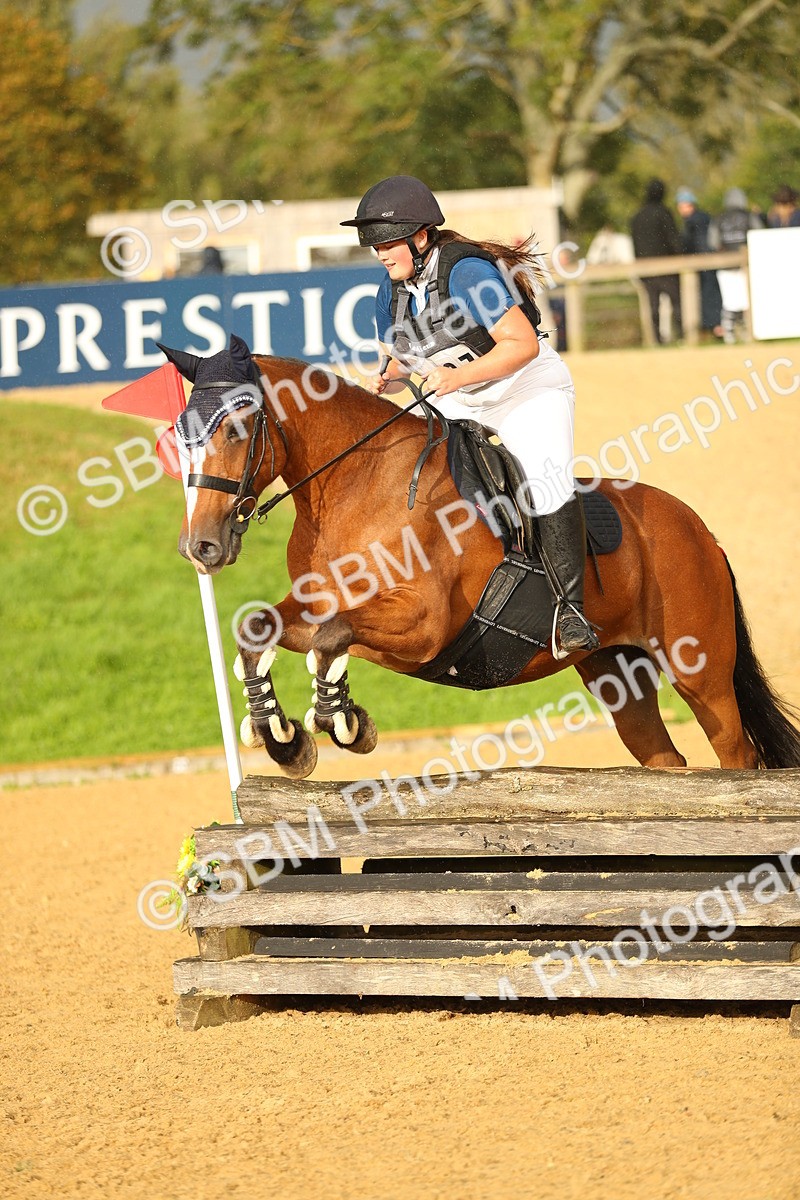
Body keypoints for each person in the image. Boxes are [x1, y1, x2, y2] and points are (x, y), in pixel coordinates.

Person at [340, 174, 600, 656]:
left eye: (388, 243)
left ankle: (571, 612)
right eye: (374, 245)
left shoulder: (466, 273)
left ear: (421, 237)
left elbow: (521, 345)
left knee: (546, 478)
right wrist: (387, 377)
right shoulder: (390, 293)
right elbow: (404, 359)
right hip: (460, 396)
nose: (380, 254)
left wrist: (457, 378)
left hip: (524, 387)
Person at [630, 179, 684, 344]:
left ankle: (656, 339)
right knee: (676, 302)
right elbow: (673, 239)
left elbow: (635, 244)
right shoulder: (663, 213)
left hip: (646, 268)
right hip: (668, 267)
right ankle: (681, 336)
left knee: (653, 305)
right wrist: (680, 257)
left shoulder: (637, 216)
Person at [708, 188, 764, 343]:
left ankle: (729, 334)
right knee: (749, 301)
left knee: (729, 302)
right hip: (749, 266)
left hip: (725, 266)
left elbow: (713, 243)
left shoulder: (719, 218)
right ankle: (748, 333)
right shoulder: (749, 217)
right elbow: (760, 235)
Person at [675, 187, 722, 335]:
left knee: (706, 294)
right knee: (713, 292)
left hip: (702, 261)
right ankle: (716, 326)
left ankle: (711, 326)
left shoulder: (691, 221)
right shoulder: (705, 217)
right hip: (712, 259)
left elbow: (687, 243)